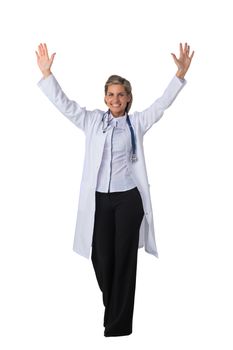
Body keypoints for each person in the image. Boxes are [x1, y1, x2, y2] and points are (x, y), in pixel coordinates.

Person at [36, 42, 194, 337]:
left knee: (124, 259)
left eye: (120, 94)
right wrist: (47, 75)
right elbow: (65, 105)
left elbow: (162, 103)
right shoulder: (93, 121)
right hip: (99, 200)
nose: (115, 98)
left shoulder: (137, 122)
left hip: (128, 200)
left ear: (128, 98)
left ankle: (118, 325)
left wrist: (179, 75)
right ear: (105, 97)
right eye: (110, 94)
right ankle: (114, 305)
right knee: (102, 257)